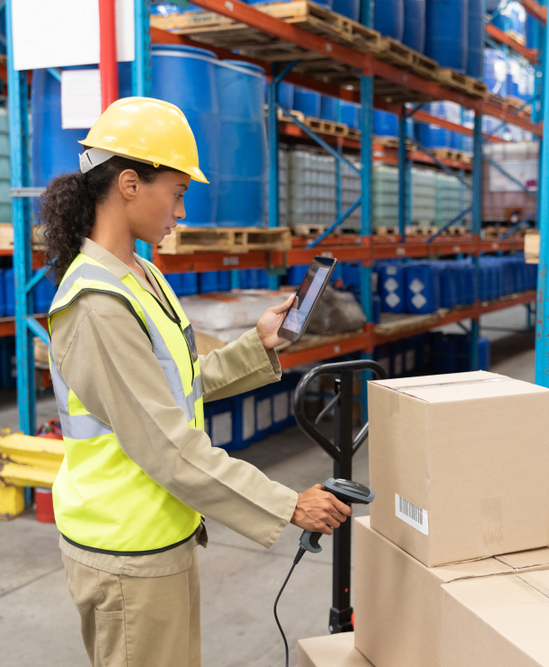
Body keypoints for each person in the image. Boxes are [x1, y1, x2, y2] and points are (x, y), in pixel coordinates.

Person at [38, 97, 351, 667]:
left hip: (160, 530)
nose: (181, 212)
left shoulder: (140, 273)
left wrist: (258, 345)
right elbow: (164, 443)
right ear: (129, 183)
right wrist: (285, 504)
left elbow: (177, 383)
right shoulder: (98, 304)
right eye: (177, 193)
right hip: (126, 546)